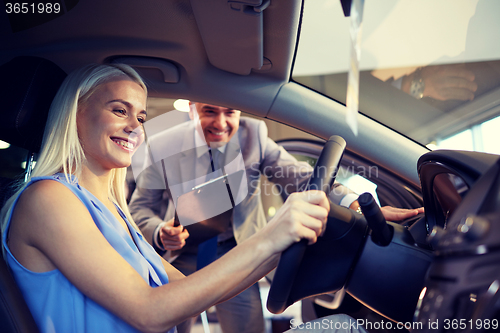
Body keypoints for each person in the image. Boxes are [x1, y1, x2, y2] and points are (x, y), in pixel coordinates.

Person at [0, 63, 353, 333]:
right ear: (74, 112)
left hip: (230, 246)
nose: (135, 126)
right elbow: (150, 310)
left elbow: (189, 291)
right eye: (119, 111)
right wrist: (271, 237)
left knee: (342, 327)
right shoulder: (48, 199)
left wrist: (289, 239)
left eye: (140, 116)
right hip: (187, 254)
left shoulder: (109, 210)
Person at [129, 101, 424, 333]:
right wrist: (159, 232)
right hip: (181, 256)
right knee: (166, 327)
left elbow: (304, 178)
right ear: (192, 107)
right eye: (209, 111)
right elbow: (140, 208)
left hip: (237, 251)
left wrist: (356, 205)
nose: (221, 123)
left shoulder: (254, 136)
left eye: (229, 112)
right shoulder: (162, 145)